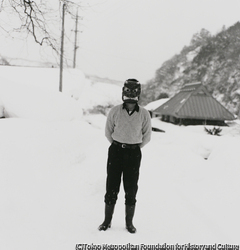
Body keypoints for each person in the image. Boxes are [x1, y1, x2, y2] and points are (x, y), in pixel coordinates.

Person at [98, 78, 152, 233]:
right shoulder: (115, 111)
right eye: (128, 91)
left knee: (131, 188)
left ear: (138, 93)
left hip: (133, 154)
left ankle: (129, 223)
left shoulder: (144, 114)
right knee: (111, 186)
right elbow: (108, 132)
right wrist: (119, 144)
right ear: (123, 92)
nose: (131, 94)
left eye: (134, 91)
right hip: (115, 152)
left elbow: (147, 136)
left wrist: (133, 146)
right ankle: (106, 221)